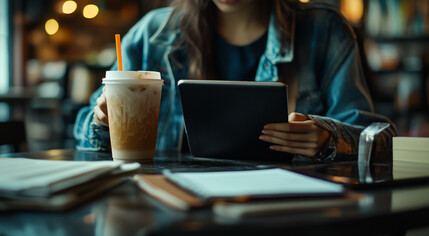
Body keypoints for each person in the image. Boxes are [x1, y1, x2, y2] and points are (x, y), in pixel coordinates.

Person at [74, 0, 396, 162]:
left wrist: (329, 138)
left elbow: (379, 138)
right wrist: (104, 120)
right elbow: (83, 131)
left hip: (288, 214)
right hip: (173, 210)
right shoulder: (151, 36)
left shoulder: (324, 32)